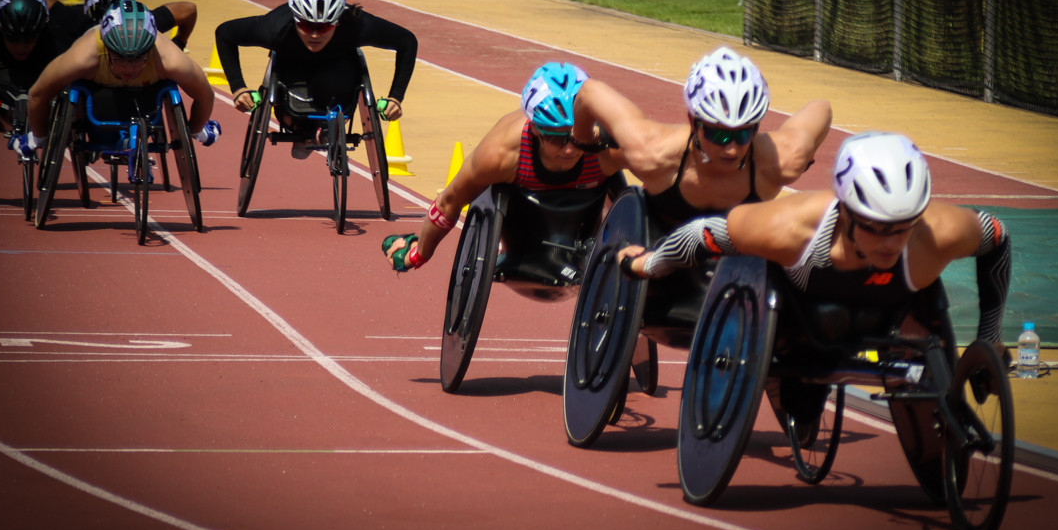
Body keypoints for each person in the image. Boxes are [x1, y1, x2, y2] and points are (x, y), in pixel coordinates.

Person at [618, 132, 1011, 356]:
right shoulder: (791, 229)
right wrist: (648, 265)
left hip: (891, 310)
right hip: (801, 318)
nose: (890, 243)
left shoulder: (939, 232)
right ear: (845, 213)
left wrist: (989, 337)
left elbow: (999, 237)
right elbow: (702, 233)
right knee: (801, 401)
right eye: (876, 227)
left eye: (903, 227)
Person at [382, 61, 623, 272]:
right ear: (537, 129)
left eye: (575, 136)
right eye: (555, 137)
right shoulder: (499, 154)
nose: (569, 149)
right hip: (524, 211)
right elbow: (449, 202)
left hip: (589, 207)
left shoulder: (609, 144)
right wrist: (419, 253)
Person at [571, 46, 831, 235]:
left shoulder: (784, 159)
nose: (731, 148)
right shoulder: (652, 151)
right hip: (655, 243)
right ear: (693, 122)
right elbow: (589, 92)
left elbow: (822, 108)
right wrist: (584, 141)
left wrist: (804, 153)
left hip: (735, 254)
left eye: (744, 133)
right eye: (718, 134)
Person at [215, 0, 417, 159]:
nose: (314, 34)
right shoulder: (275, 26)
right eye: (305, 25)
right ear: (295, 18)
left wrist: (395, 97)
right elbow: (225, 34)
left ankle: (325, 128)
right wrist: (238, 88)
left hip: (338, 71)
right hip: (291, 72)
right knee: (291, 100)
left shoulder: (356, 24)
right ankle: (306, 132)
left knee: (330, 83)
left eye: (324, 27)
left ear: (337, 21)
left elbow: (407, 42)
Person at [10, 0, 219, 158]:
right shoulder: (84, 56)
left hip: (146, 95)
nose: (129, 67)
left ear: (149, 51)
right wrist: (40, 137)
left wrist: (194, 130)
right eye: (121, 59)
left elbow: (205, 96)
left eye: (137, 60)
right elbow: (38, 94)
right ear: (108, 51)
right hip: (96, 93)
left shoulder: (170, 60)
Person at [0, 0, 71, 132]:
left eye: (29, 40)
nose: (21, 48)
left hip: (39, 86)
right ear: (0, 29)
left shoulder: (55, 39)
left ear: (40, 32)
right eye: (13, 39)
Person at [49, 0, 198, 50]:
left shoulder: (72, 17)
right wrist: (179, 42)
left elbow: (188, 9)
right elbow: (188, 9)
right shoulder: (138, 21)